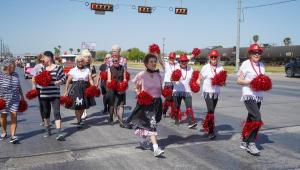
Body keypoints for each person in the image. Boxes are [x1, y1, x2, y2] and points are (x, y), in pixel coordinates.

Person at [130, 53, 164, 157]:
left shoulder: (158, 75)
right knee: (152, 124)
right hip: (147, 103)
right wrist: (140, 95)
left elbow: (161, 90)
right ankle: (155, 148)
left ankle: (143, 142)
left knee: (153, 123)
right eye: (151, 62)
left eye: (155, 62)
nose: (154, 64)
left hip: (157, 102)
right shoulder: (141, 74)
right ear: (146, 63)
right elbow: (136, 88)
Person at [237, 43, 267, 156]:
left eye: (258, 52)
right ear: (250, 54)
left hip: (258, 95)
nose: (257, 54)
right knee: (257, 118)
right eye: (254, 52)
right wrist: (251, 82)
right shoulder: (245, 64)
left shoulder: (262, 66)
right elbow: (239, 81)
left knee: (250, 118)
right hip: (248, 94)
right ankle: (251, 143)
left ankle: (244, 140)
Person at [33, 51, 66, 141]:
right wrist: (40, 82)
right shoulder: (42, 69)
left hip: (55, 94)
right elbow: (37, 80)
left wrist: (59, 81)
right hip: (44, 94)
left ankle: (59, 132)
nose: (43, 59)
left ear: (49, 58)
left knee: (56, 112)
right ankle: (48, 131)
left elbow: (64, 77)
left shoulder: (58, 68)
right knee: (46, 113)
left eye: (44, 57)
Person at [198, 50, 226, 139]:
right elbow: (200, 77)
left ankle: (207, 124)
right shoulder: (205, 67)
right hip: (207, 91)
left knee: (212, 111)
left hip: (216, 93)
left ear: (217, 58)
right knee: (210, 110)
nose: (214, 58)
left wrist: (222, 82)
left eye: (215, 57)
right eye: (212, 57)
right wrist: (198, 81)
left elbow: (223, 82)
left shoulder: (221, 68)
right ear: (209, 57)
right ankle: (211, 131)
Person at [64, 55, 95, 128]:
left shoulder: (87, 70)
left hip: (85, 88)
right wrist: (66, 90)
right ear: (76, 62)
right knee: (77, 106)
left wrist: (93, 87)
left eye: (81, 61)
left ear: (83, 62)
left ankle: (79, 118)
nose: (80, 63)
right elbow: (68, 81)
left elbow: (90, 80)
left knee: (83, 106)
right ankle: (78, 121)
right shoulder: (73, 70)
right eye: (78, 61)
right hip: (76, 89)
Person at [0, 58, 24, 143]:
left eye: (14, 66)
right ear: (8, 66)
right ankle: (4, 131)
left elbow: (18, 86)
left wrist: (22, 96)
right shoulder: (1, 75)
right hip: (3, 99)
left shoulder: (16, 74)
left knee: (14, 116)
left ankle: (13, 136)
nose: (14, 67)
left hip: (15, 98)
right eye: (13, 66)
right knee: (3, 117)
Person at [172, 54, 197, 129]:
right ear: (179, 61)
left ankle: (190, 122)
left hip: (187, 91)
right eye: (182, 61)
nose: (184, 62)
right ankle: (177, 118)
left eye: (185, 61)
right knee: (177, 107)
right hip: (177, 91)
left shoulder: (190, 69)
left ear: (187, 61)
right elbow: (171, 79)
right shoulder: (175, 68)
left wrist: (196, 83)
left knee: (189, 107)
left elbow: (193, 79)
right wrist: (174, 77)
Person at [106, 54, 127, 127]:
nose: (115, 62)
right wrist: (111, 83)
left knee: (121, 105)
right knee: (112, 105)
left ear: (119, 61)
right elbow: (108, 79)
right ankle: (111, 118)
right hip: (113, 89)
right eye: (113, 61)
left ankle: (121, 121)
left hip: (121, 88)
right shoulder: (110, 69)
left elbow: (124, 78)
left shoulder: (123, 68)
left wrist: (124, 83)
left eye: (116, 60)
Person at [158, 52, 179, 117]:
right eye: (170, 58)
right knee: (168, 99)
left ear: (174, 58)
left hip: (175, 84)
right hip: (167, 84)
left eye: (173, 58)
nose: (171, 59)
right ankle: (164, 111)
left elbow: (184, 63)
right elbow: (161, 61)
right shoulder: (166, 64)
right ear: (169, 58)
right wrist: (158, 54)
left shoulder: (177, 65)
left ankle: (173, 112)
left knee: (174, 99)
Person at [81, 49, 96, 120]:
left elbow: (95, 74)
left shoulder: (91, 66)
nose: (87, 58)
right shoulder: (81, 65)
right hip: (81, 84)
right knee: (81, 97)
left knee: (86, 98)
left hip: (89, 84)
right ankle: (83, 112)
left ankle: (85, 111)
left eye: (88, 57)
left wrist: (90, 75)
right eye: (86, 57)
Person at [30, 54, 45, 126]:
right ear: (40, 59)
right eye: (42, 58)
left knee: (47, 104)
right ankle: (43, 119)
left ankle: (46, 118)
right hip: (39, 88)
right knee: (42, 104)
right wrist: (33, 88)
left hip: (48, 88)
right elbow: (33, 78)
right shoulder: (37, 67)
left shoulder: (48, 65)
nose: (44, 59)